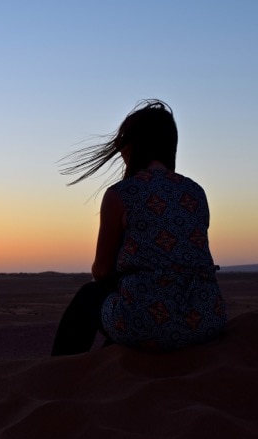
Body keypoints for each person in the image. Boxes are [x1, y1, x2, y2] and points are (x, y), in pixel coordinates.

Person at [51, 100, 227, 355]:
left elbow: (101, 270)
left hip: (150, 323)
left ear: (133, 144)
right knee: (131, 301)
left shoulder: (121, 194)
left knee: (90, 296)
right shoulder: (195, 192)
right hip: (206, 319)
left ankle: (59, 378)